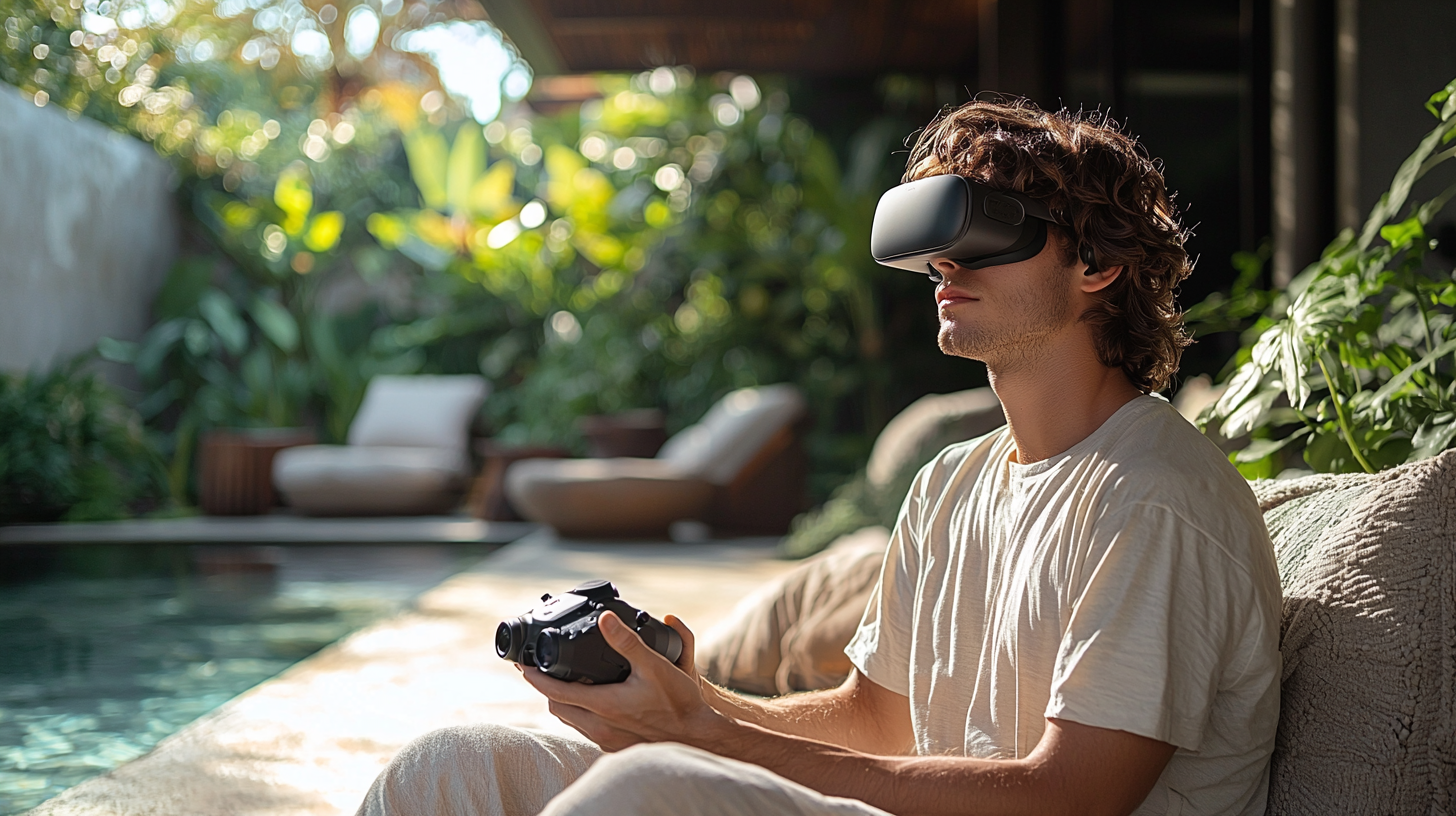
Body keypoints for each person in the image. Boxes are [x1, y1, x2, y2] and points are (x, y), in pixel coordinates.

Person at [356, 99, 1282, 816]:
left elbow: (1069, 798)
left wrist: (702, 738)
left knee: (633, 798)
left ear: (1097, 265)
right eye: (937, 243)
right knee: (456, 768)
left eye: (987, 231)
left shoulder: (1154, 499)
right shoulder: (954, 482)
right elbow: (873, 721)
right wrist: (684, 703)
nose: (943, 266)